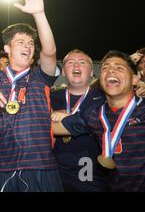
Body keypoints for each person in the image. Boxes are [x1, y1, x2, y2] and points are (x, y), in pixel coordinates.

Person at [0, 0, 63, 192]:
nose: (28, 46)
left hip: (41, 165)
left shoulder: (40, 77)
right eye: (21, 42)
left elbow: (50, 52)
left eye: (31, 43)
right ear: (7, 48)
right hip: (4, 166)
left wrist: (39, 14)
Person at [52, 51, 145, 191]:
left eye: (119, 68)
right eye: (105, 68)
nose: (110, 71)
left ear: (135, 79)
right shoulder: (94, 115)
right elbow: (51, 128)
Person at [50, 49, 108, 191]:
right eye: (70, 63)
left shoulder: (105, 98)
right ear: (63, 71)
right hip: (54, 171)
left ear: (92, 72)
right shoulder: (50, 97)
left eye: (82, 62)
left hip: (90, 172)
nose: (76, 66)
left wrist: (68, 118)